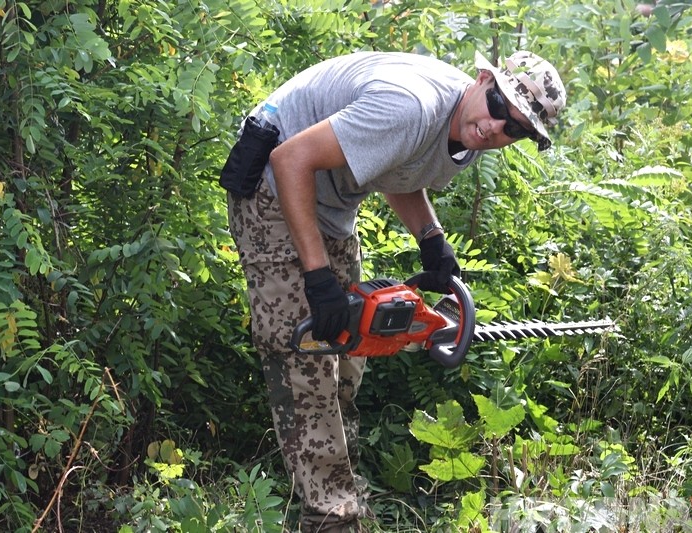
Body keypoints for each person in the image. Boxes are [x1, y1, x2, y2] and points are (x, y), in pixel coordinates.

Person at [223, 48, 566, 532]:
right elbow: (290, 158)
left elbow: (398, 164)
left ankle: (340, 485)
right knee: (307, 357)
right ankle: (331, 518)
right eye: (497, 106)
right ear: (483, 79)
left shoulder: (463, 130)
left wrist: (431, 238)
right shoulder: (410, 106)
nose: (495, 127)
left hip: (329, 201)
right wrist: (318, 279)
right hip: (273, 186)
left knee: (349, 350)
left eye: (513, 128)